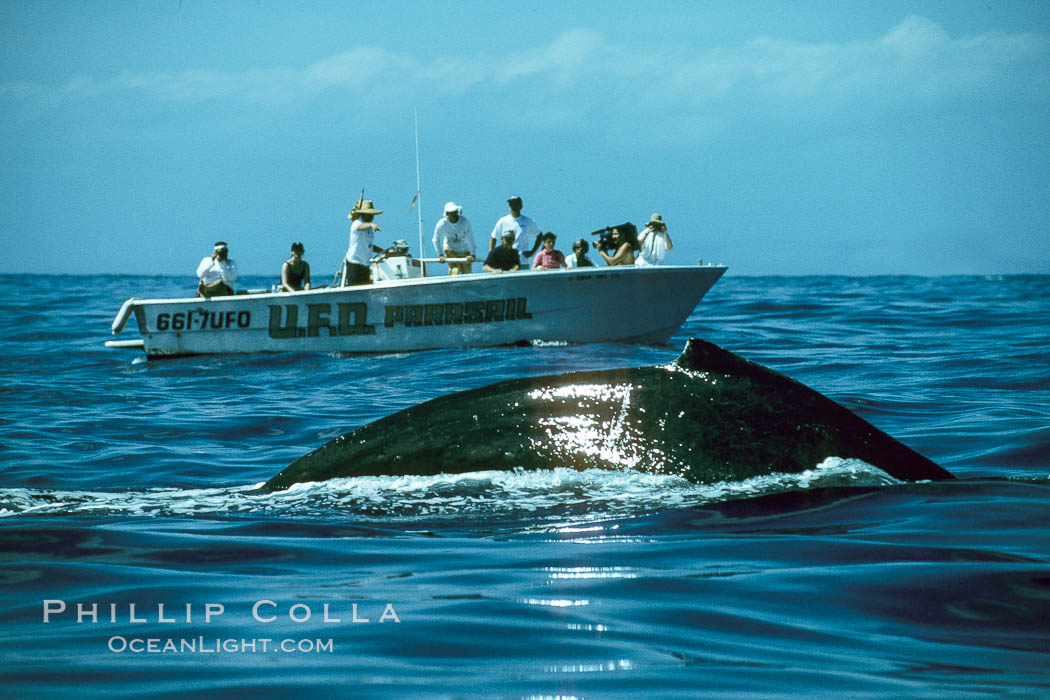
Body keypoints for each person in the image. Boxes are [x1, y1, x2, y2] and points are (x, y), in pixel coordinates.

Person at [343, 200, 389, 286]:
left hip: (365, 264)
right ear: (363, 214)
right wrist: (371, 225)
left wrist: (383, 251)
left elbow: (369, 245)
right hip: (354, 264)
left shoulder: (369, 228)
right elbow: (360, 227)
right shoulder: (357, 223)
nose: (372, 217)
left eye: (372, 215)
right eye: (369, 214)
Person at [488, 195, 542, 267]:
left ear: (521, 206)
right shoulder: (502, 221)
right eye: (511, 204)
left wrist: (532, 252)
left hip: (522, 262)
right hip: (505, 262)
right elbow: (493, 238)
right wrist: (491, 256)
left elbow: (539, 236)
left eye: (515, 204)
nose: (513, 206)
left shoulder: (528, 222)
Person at [432, 201, 476, 275]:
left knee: (467, 274)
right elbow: (436, 239)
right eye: (451, 213)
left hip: (464, 250)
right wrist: (440, 255)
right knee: (455, 270)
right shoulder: (442, 224)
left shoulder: (465, 222)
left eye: (455, 212)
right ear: (447, 214)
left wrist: (473, 254)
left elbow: (470, 238)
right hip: (450, 249)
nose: (453, 215)